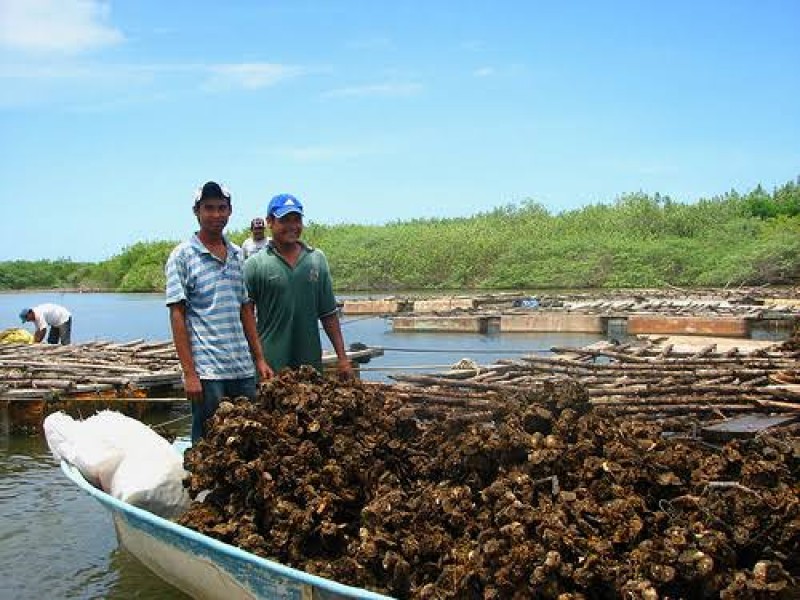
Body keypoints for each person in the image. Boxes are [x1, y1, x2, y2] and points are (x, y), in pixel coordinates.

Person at [165, 181, 273, 442]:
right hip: (208, 371)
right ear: (197, 212)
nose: (216, 214)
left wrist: (259, 359)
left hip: (242, 368)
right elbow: (177, 316)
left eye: (221, 208)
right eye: (209, 208)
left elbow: (246, 310)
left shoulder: (238, 254)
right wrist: (190, 374)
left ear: (230, 211)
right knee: (207, 441)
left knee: (247, 437)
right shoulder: (182, 256)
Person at [243, 193, 352, 378]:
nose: (292, 226)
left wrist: (342, 358)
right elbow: (246, 315)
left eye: (297, 220)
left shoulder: (316, 259)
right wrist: (259, 359)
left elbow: (329, 314)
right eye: (285, 220)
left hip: (309, 363)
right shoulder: (255, 264)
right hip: (271, 365)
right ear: (270, 221)